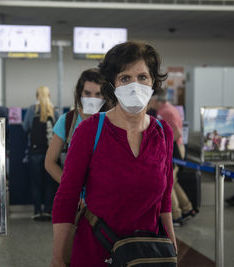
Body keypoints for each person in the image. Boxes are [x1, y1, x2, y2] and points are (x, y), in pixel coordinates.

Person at [51, 41, 176, 267]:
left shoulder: (163, 133)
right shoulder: (89, 131)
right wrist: (58, 259)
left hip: (146, 255)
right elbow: (66, 198)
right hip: (97, 253)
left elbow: (164, 201)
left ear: (153, 82)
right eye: (125, 78)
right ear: (113, 84)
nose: (134, 85)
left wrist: (172, 251)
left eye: (142, 77)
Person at [45, 68, 113, 183]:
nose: (92, 99)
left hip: (105, 193)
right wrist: (72, 189)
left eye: (98, 94)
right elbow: (50, 162)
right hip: (75, 193)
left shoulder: (112, 121)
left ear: (105, 97)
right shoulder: (67, 121)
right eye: (87, 93)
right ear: (79, 93)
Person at [151, 89, 197, 226]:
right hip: (178, 148)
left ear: (157, 100)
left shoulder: (164, 112)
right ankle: (187, 209)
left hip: (174, 150)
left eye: (151, 100)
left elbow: (175, 133)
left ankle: (176, 215)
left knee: (168, 184)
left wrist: (164, 149)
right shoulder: (170, 108)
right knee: (174, 181)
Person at [23, 86, 59, 221]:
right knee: (50, 183)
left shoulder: (32, 109)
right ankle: (49, 211)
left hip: (35, 152)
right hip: (51, 152)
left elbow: (25, 127)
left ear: (36, 95)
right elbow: (59, 129)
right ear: (49, 95)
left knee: (36, 184)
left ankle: (38, 211)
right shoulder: (54, 110)